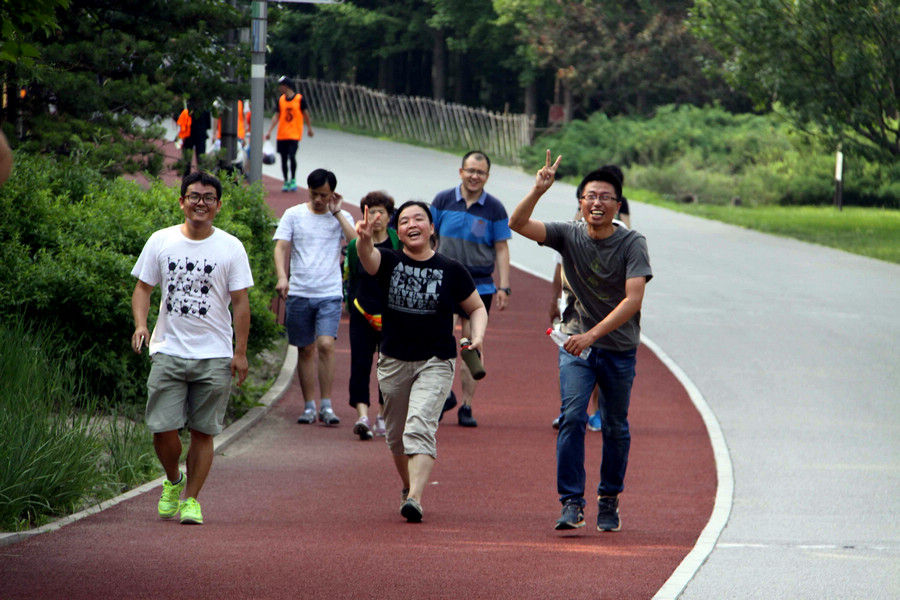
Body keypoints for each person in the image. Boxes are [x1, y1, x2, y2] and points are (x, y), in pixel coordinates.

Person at [509, 151, 652, 533]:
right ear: (581, 202)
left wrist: (592, 334)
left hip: (618, 349)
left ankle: (609, 498)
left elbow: (633, 300)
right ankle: (572, 502)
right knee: (572, 417)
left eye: (605, 197)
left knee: (615, 426)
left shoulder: (633, 243)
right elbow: (517, 223)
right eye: (590, 196)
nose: (597, 202)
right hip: (577, 346)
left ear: (618, 206)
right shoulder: (568, 234)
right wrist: (538, 190)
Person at [130, 171, 253, 525]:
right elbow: (143, 288)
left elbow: (241, 303)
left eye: (209, 197)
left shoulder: (231, 247)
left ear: (218, 205)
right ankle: (173, 479)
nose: (201, 203)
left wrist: (240, 352)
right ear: (182, 201)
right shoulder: (161, 240)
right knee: (162, 427)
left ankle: (191, 500)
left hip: (214, 354)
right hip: (167, 349)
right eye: (195, 196)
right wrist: (141, 324)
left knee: (203, 431)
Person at [355, 200, 487, 523]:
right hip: (394, 360)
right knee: (396, 436)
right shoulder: (388, 260)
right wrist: (364, 239)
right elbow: (368, 258)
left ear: (431, 228)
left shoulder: (451, 269)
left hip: (436, 360)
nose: (411, 224)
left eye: (419, 219)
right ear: (398, 232)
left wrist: (478, 337)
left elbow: (476, 308)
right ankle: (407, 485)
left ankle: (415, 497)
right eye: (404, 221)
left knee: (419, 426)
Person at [430, 150, 511, 427]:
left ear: (487, 176)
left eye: (480, 172)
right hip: (445, 281)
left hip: (481, 285)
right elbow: (429, 238)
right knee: (440, 339)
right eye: (470, 170)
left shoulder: (495, 208)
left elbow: (501, 248)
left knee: (471, 344)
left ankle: (466, 405)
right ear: (461, 171)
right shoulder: (443, 200)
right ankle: (444, 396)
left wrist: (504, 287)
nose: (475, 176)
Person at [274, 168, 356, 426]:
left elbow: (355, 244)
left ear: (333, 194)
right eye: (314, 194)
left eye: (324, 195)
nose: (319, 200)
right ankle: (309, 405)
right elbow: (281, 247)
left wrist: (338, 212)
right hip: (299, 291)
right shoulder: (293, 214)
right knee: (305, 348)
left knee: (326, 344)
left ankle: (327, 405)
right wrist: (282, 276)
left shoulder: (341, 216)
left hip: (329, 292)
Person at [343, 191, 400, 439]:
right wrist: (350, 305)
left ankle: (383, 416)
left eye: (381, 212)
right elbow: (351, 277)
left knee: (388, 366)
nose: (376, 217)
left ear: (389, 217)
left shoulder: (398, 243)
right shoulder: (356, 245)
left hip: (392, 315)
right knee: (360, 363)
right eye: (371, 212)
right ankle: (362, 416)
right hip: (362, 312)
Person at [264, 76, 314, 192]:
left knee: (292, 156)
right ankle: (286, 180)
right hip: (282, 134)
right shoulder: (281, 100)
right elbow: (276, 116)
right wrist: (270, 131)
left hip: (294, 134)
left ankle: (293, 179)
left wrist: (309, 128)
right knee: (283, 158)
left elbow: (306, 114)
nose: (279, 88)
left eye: (280, 86)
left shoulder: (299, 99)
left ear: (286, 86)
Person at [178, 103, 212, 177]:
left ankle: (188, 177)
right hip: (198, 131)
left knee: (189, 159)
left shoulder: (187, 102)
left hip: (190, 132)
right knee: (200, 158)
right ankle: (200, 176)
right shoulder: (204, 102)